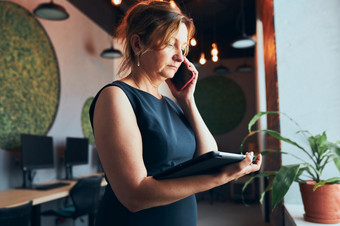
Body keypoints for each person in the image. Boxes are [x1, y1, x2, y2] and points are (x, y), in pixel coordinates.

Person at [89, 1, 262, 225]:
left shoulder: (172, 104)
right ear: (138, 43)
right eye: (170, 44)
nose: (180, 57)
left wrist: (188, 101)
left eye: (182, 48)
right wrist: (219, 179)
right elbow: (134, 195)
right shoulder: (117, 97)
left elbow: (208, 155)